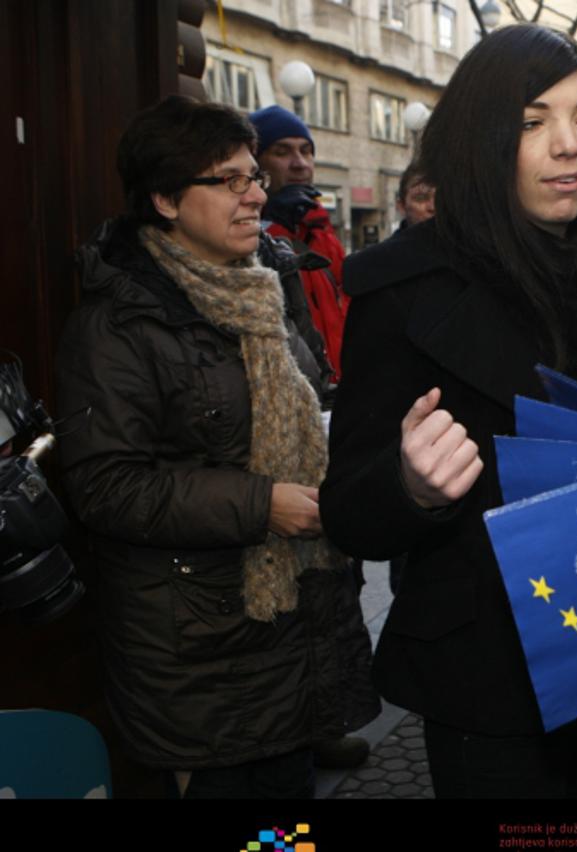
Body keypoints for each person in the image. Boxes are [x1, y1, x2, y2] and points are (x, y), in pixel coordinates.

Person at [320, 24, 577, 798]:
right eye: (534, 122)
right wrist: (410, 487)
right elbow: (347, 513)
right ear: (483, 138)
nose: (568, 145)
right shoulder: (402, 291)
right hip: (488, 677)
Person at [54, 95, 378, 798]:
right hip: (201, 649)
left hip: (295, 622)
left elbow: (308, 404)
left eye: (252, 177)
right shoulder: (115, 324)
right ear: (166, 199)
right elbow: (106, 486)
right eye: (227, 180)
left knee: (286, 816)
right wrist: (264, 504)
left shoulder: (266, 286)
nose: (254, 193)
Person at [250, 105, 348, 380]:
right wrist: (271, 223)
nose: (300, 164)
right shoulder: (241, 234)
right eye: (282, 152)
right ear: (256, 165)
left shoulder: (322, 233)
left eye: (306, 151)